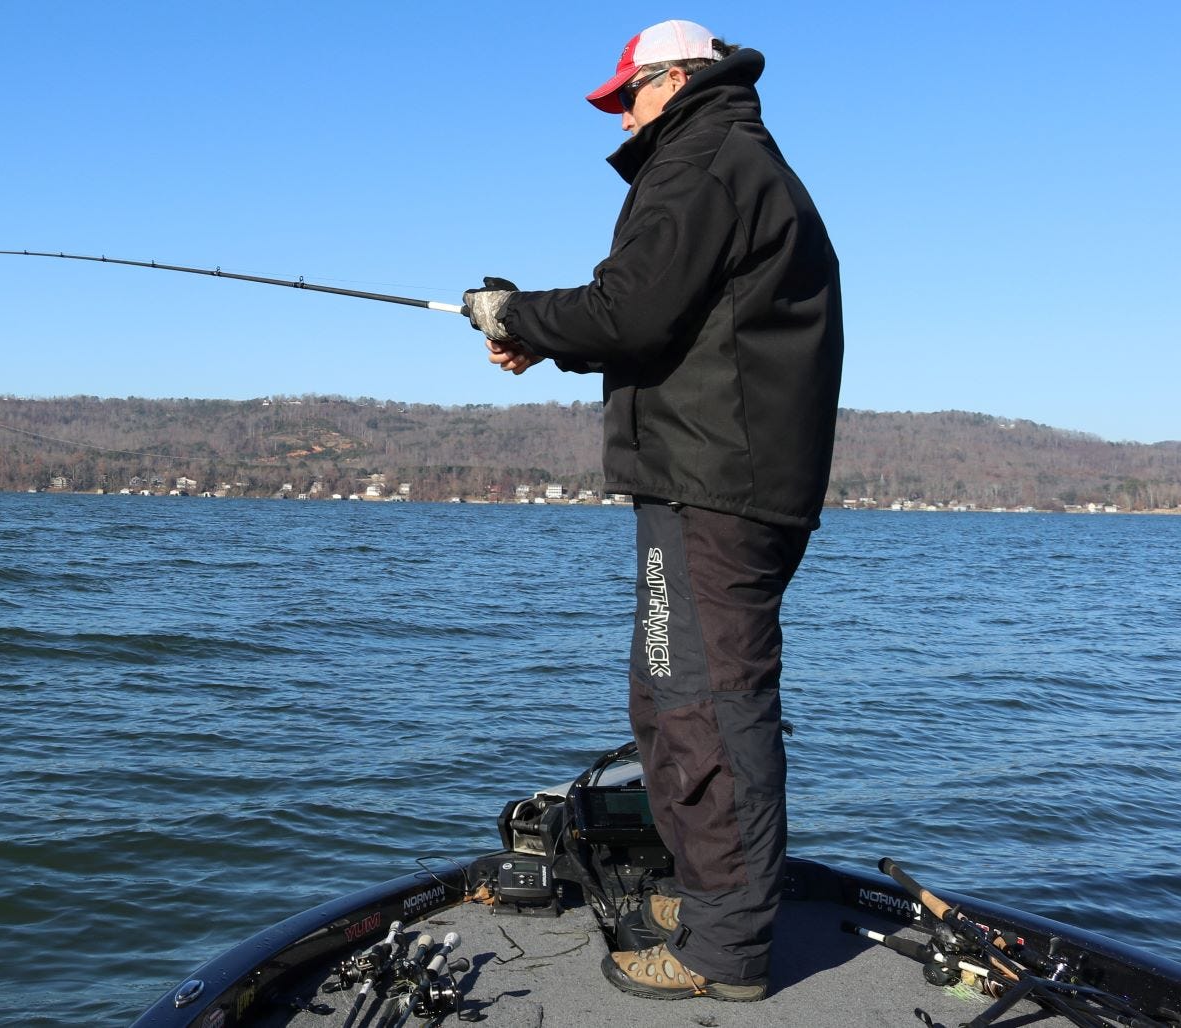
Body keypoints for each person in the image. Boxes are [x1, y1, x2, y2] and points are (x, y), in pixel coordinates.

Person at [461, 19, 843, 1003]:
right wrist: (535, 325)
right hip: (717, 477)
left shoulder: (704, 157)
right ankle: (712, 894)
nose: (620, 113)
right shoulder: (724, 158)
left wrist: (513, 318)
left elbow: (629, 308)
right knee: (673, 699)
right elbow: (655, 311)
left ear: (672, 80)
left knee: (701, 706)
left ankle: (726, 946)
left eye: (625, 94)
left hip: (712, 483)